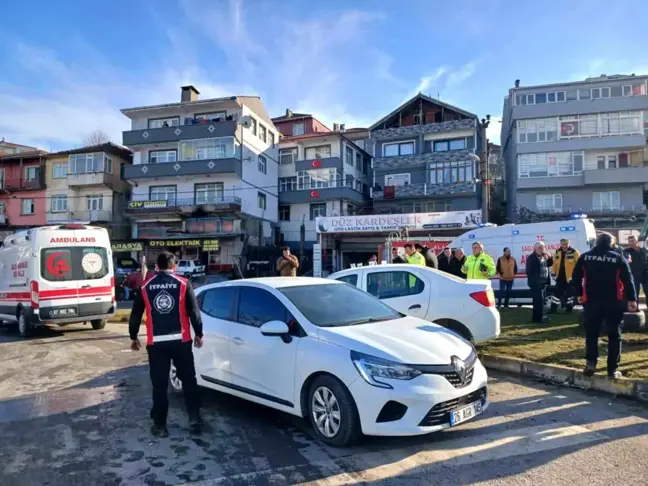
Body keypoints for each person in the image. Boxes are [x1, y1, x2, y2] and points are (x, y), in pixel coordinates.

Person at [129, 252, 204, 438]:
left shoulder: (145, 286)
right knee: (189, 381)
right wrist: (199, 334)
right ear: (174, 266)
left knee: (160, 386)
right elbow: (194, 312)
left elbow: (136, 314)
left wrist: (133, 337)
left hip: (157, 344)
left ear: (156, 268)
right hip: (182, 341)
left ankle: (160, 426)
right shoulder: (183, 283)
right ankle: (194, 419)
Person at [572, 233, 638, 379]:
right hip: (613, 302)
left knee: (591, 334)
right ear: (611, 243)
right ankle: (612, 370)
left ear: (596, 243)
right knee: (614, 335)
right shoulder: (617, 258)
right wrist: (632, 299)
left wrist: (578, 294)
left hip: (591, 301)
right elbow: (628, 279)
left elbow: (575, 277)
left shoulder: (585, 257)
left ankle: (590, 364)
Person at [526, 241, 553, 323]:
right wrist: (536, 280)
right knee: (538, 301)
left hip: (543, 283)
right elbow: (529, 271)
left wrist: (550, 257)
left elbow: (549, 264)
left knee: (541, 301)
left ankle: (539, 317)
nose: (542, 249)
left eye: (543, 247)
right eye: (540, 248)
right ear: (535, 249)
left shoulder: (544, 256)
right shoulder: (532, 257)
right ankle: (538, 318)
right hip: (536, 284)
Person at [551, 238, 580, 313]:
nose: (565, 246)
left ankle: (569, 309)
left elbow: (578, 265)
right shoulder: (557, 252)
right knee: (556, 293)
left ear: (569, 244)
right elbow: (554, 264)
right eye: (563, 244)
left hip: (570, 277)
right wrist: (553, 273)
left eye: (566, 244)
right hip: (559, 276)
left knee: (569, 294)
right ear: (560, 244)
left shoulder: (574, 252)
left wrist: (576, 276)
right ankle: (553, 309)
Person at [623, 235, 647, 300]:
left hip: (645, 274)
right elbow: (627, 257)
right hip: (634, 274)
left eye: (632, 241)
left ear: (637, 241)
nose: (630, 243)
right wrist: (628, 259)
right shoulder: (626, 251)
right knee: (635, 292)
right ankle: (635, 308)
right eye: (629, 241)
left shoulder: (643, 250)